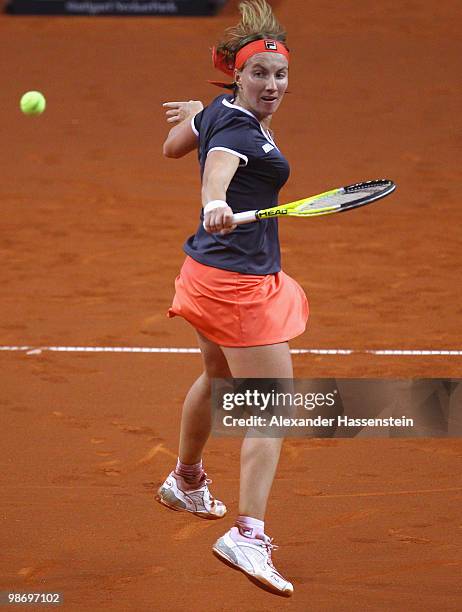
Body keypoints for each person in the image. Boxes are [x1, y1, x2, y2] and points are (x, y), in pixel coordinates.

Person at [156, 0, 308, 596]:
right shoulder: (239, 130)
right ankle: (247, 534)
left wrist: (197, 116)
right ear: (238, 75)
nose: (272, 85)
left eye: (280, 74)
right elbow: (219, 165)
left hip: (202, 272)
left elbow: (174, 147)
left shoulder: (218, 110)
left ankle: (186, 480)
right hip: (237, 286)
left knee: (217, 376)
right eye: (260, 74)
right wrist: (215, 199)